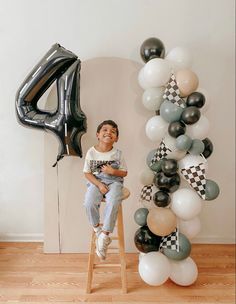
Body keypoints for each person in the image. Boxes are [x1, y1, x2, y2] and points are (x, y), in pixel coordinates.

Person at [83, 120, 128, 260]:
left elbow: (124, 172)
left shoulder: (118, 154)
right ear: (98, 134)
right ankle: (98, 230)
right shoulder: (91, 152)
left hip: (114, 182)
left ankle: (105, 235)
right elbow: (87, 173)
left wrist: (112, 171)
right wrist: (99, 185)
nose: (109, 132)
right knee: (89, 202)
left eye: (113, 131)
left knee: (113, 201)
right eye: (105, 130)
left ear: (116, 138)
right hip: (97, 182)